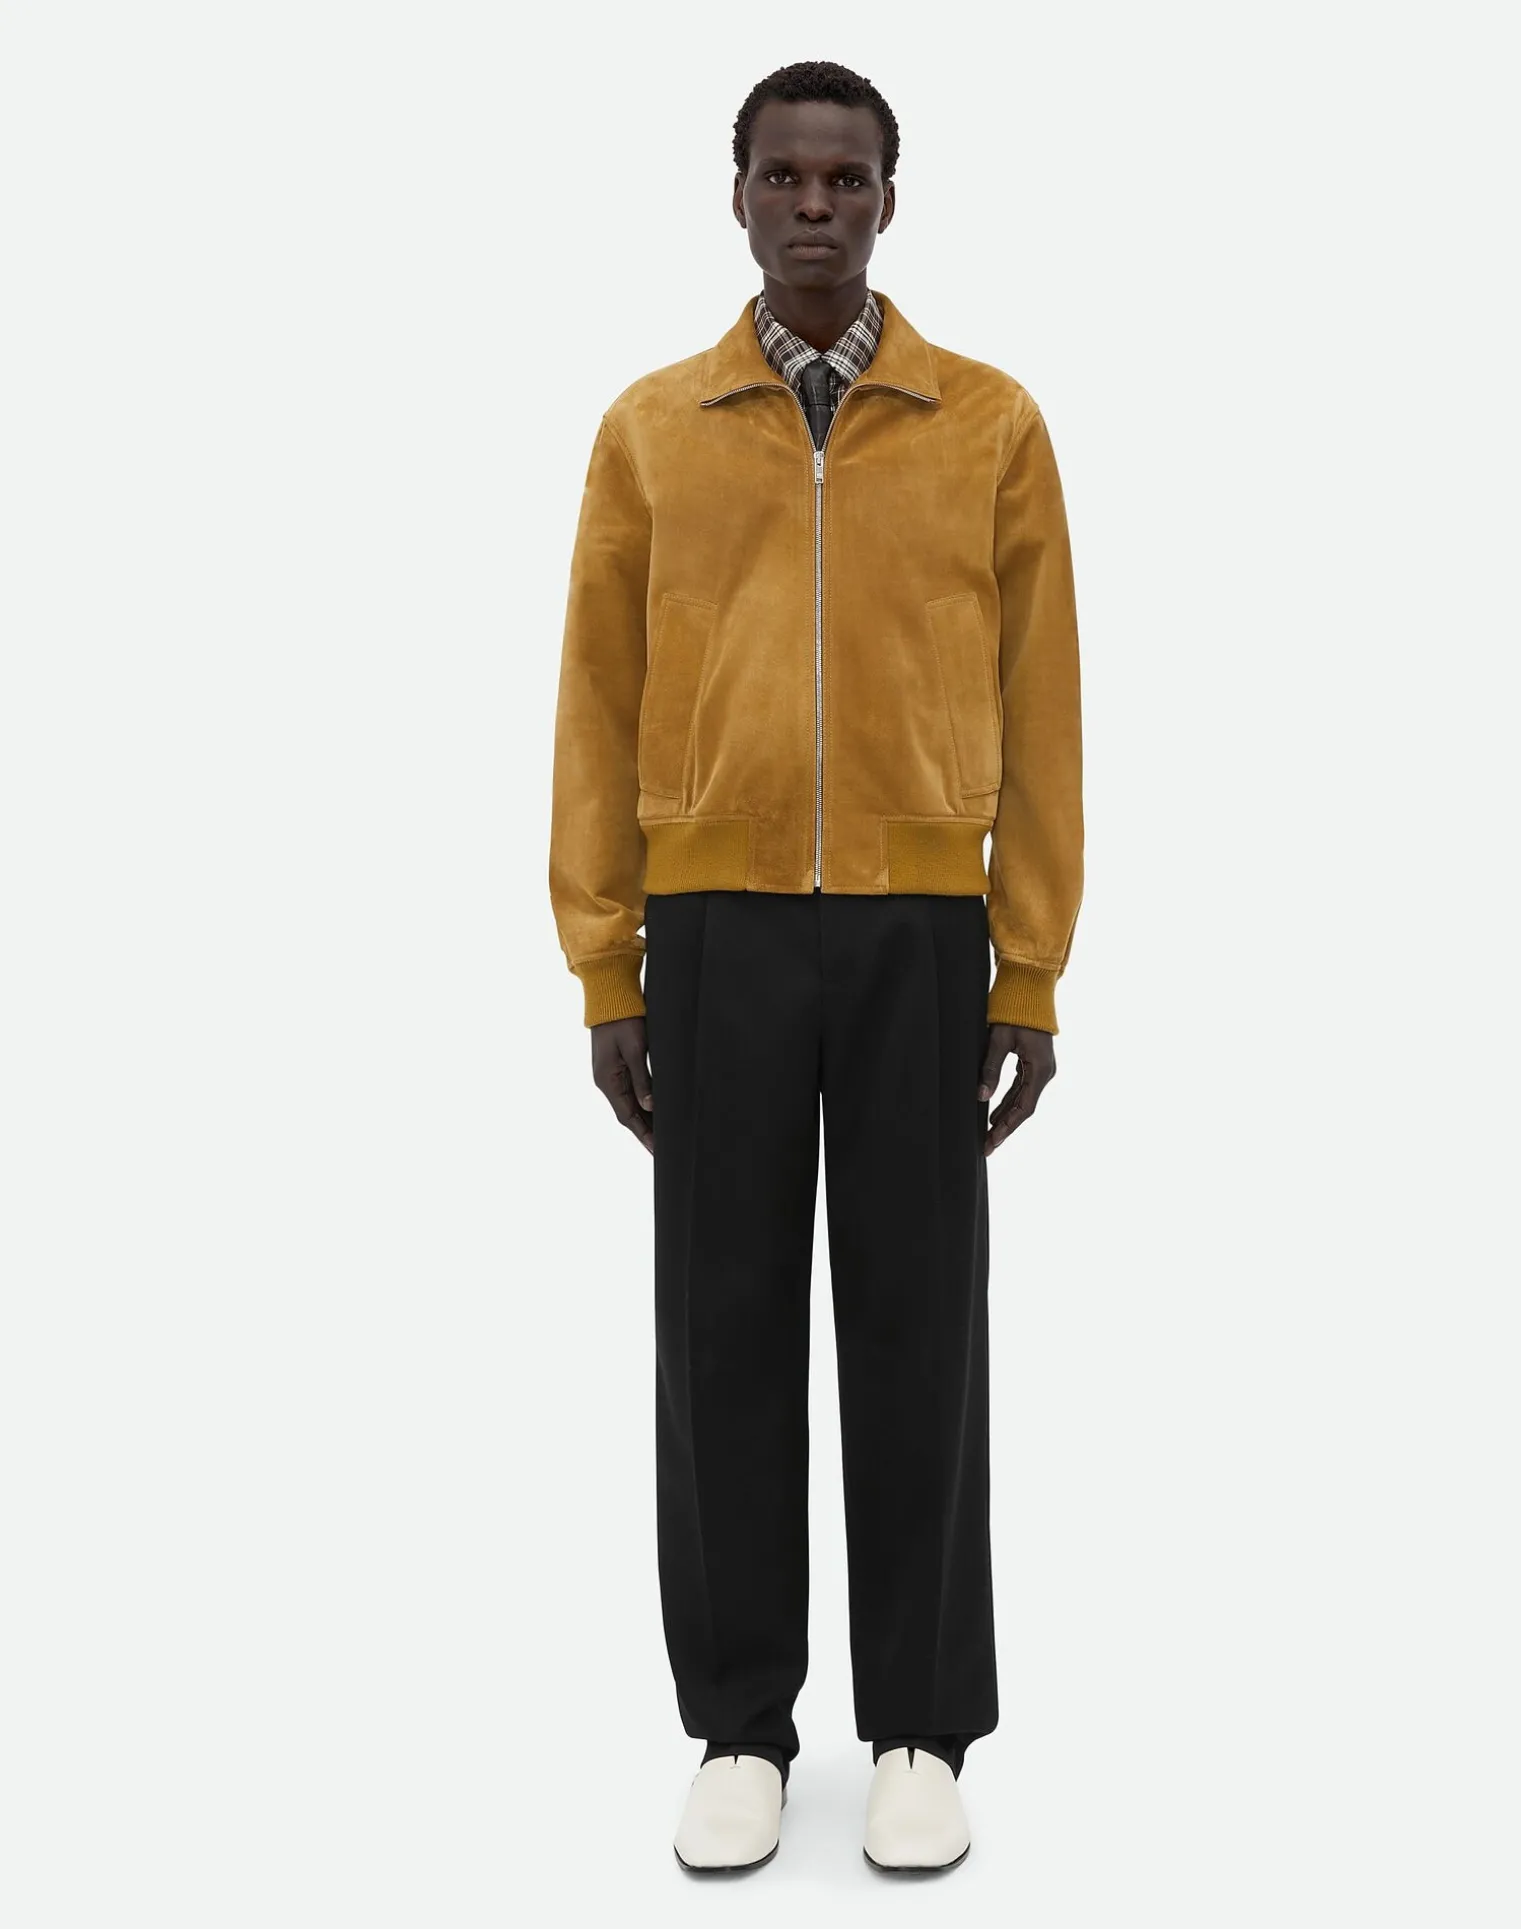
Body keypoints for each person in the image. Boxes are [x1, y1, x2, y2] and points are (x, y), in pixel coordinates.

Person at [548, 58, 1083, 1874]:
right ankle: (739, 1727)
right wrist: (607, 964)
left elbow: (1041, 704)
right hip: (715, 931)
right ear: (735, 195)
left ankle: (921, 1726)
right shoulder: (651, 430)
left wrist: (1028, 967)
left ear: (887, 202)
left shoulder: (988, 424)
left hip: (923, 932)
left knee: (922, 1324)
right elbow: (596, 699)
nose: (812, 208)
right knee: (719, 1329)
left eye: (844, 180)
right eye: (782, 176)